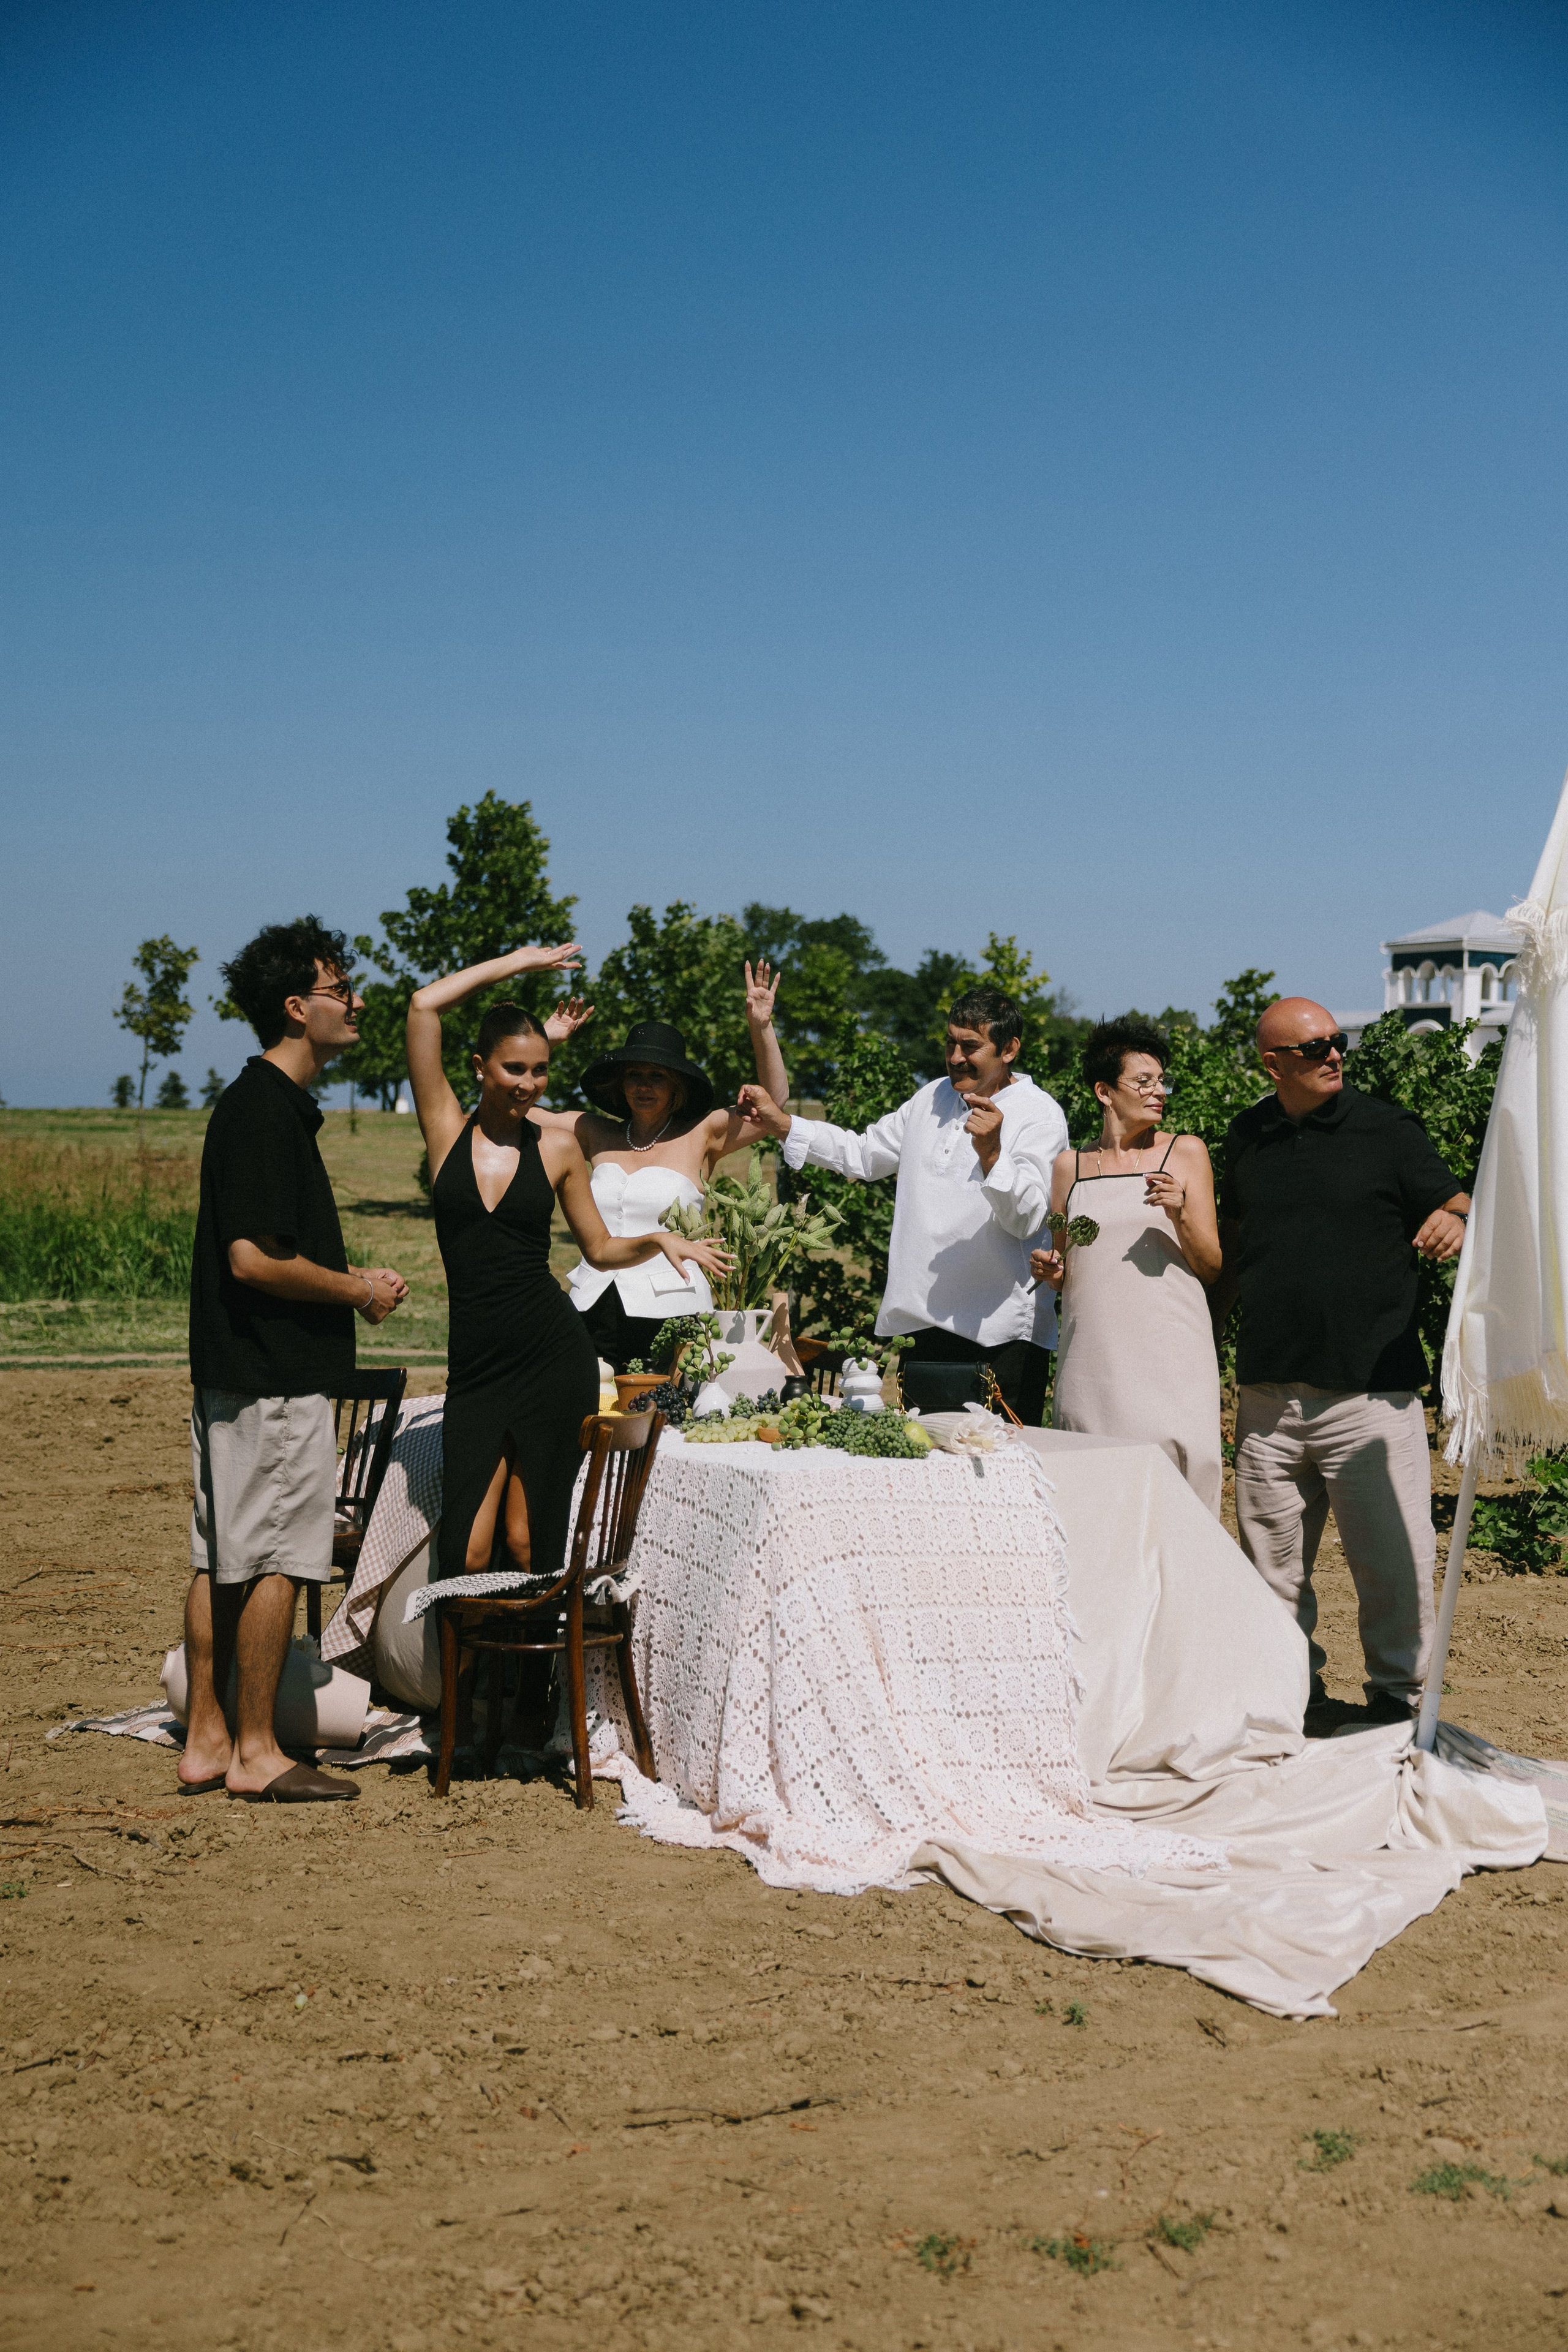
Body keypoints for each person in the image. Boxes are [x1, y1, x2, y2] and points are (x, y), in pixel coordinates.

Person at [405, 945, 730, 1591]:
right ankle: (458, 1692)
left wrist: (660, 1239)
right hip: (476, 1363)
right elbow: (422, 1006)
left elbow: (601, 1250)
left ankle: (532, 1690)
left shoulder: (556, 1147)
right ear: (479, 1067)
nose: (528, 1083)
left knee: (531, 1544)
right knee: (467, 1553)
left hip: (554, 1356)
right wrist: (520, 964)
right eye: (513, 1069)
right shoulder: (445, 1131)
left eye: (540, 1071)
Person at [183, 919, 408, 1803]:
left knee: (219, 1556)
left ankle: (207, 1736)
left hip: (236, 1372)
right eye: (339, 988)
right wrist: (356, 1293)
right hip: (275, 1378)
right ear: (294, 1007)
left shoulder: (254, 1106)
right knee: (277, 1559)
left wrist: (349, 1276)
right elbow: (253, 1259)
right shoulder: (267, 1113)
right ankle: (257, 1753)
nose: (355, 1001)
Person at [1213, 997, 1470, 1733]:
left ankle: (1399, 1699)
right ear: (1272, 1065)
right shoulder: (1246, 1136)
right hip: (1267, 1394)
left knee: (1391, 1566)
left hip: (1369, 1392)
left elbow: (1464, 1204)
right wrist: (1206, 1334)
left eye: (1338, 1041)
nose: (1333, 1054)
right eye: (1313, 1047)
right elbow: (1233, 1249)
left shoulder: (1387, 1130)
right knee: (1270, 1568)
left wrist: (1452, 1218)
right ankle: (1293, 1694)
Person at [741, 988, 1068, 1424]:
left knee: (999, 1479)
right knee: (925, 1475)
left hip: (1000, 1336)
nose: (955, 1057)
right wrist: (782, 1125)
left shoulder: (1039, 1114)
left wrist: (992, 1153)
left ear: (1010, 1049)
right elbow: (862, 1154)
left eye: (970, 1047)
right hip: (923, 1330)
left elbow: (1027, 1219)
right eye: (950, 1043)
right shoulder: (931, 1097)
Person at [532, 961, 791, 1374]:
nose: (644, 1085)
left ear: (677, 1086)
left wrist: (761, 1025)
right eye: (634, 1075)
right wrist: (543, 1042)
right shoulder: (596, 1132)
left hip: (672, 1311)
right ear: (620, 1084)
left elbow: (772, 1105)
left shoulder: (702, 1135)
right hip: (591, 1304)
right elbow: (510, 1104)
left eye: (657, 1076)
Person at [1030, 1019, 1223, 1510]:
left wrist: (1180, 1211)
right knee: (1092, 1487)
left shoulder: (1185, 1153)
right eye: (1144, 1081)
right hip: (1093, 1359)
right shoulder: (1067, 1168)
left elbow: (1211, 1266)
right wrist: (1051, 1272)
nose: (1159, 1092)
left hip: (1170, 1355)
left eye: (1162, 1082)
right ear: (1104, 1091)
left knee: (1175, 1493)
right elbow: (1066, 1265)